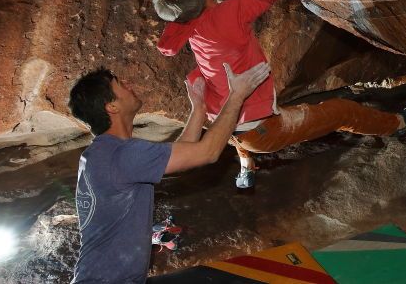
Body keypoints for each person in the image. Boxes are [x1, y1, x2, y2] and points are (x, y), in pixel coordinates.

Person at [67, 62, 269, 284]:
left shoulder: (102, 153)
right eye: (120, 85)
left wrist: (198, 108)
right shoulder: (122, 155)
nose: (128, 84)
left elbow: (184, 153)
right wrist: (237, 95)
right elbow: (207, 152)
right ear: (111, 107)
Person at [152, 0, 291, 188]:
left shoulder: (183, 18)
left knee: (236, 131)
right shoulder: (227, 15)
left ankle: (245, 165)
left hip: (223, 111)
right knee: (338, 114)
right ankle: (395, 121)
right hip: (257, 120)